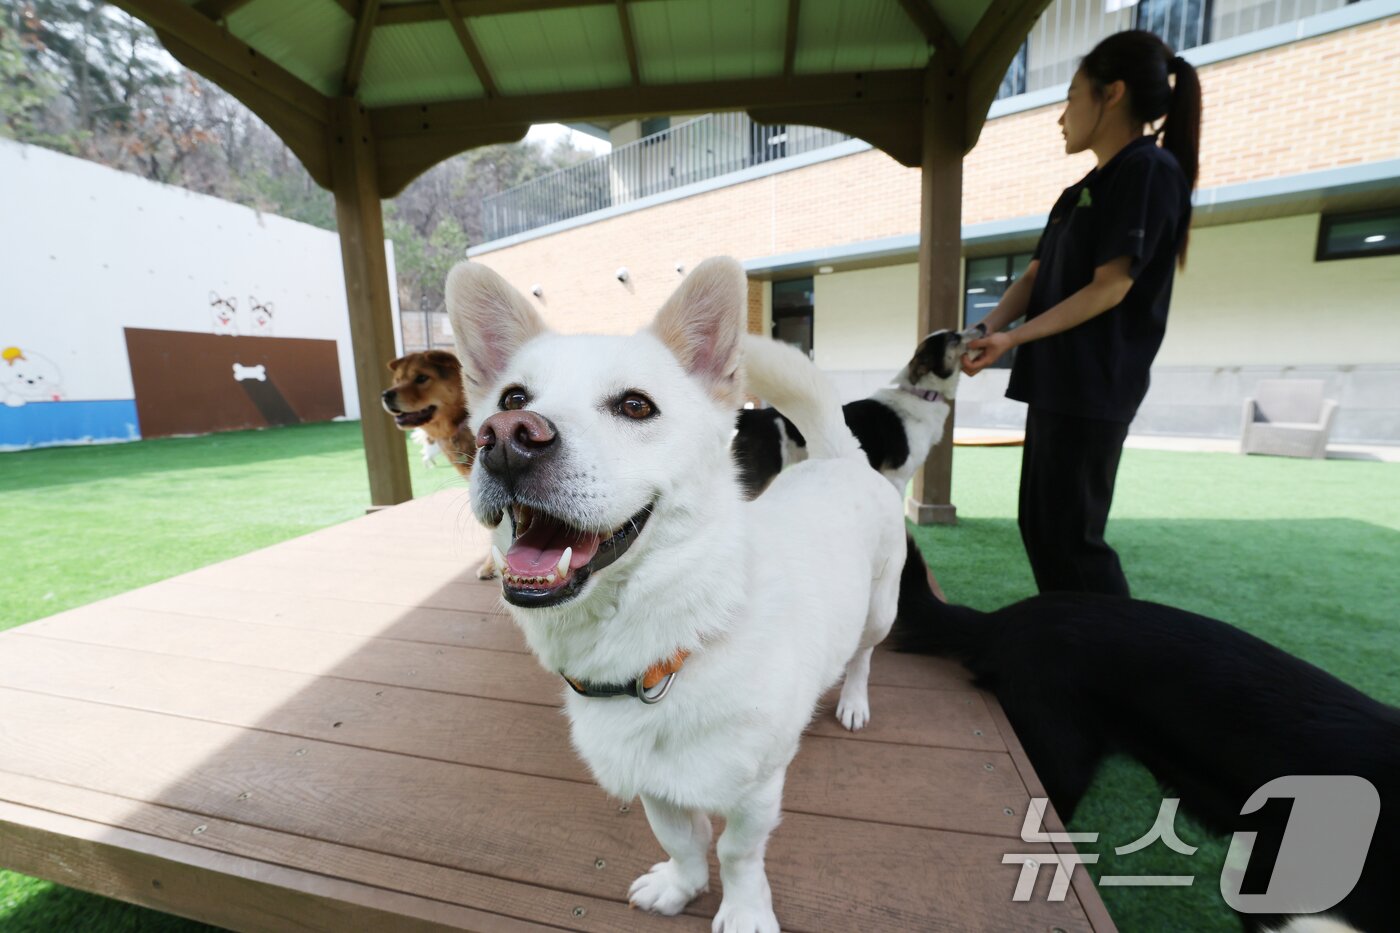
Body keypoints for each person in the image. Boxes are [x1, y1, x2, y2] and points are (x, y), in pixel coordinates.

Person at [963, 30, 1201, 597]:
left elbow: (1110, 288)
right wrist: (984, 330)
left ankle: (1108, 647)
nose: (1061, 116)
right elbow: (1033, 278)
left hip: (1095, 386)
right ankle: (1070, 640)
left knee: (1073, 540)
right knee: (1041, 527)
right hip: (1058, 383)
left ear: (1111, 94)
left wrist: (1012, 340)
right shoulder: (1078, 193)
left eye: (1071, 97)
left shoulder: (1148, 171)